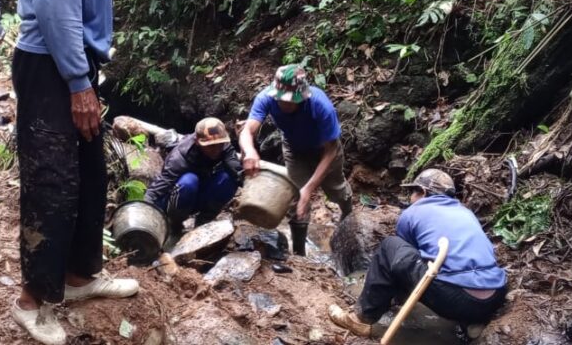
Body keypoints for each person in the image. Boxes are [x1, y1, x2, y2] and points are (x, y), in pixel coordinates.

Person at [10, 0, 155, 345]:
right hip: (49, 63)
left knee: (90, 171)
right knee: (52, 180)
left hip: (67, 61)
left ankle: (77, 276)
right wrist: (78, 83)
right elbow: (54, 6)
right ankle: (32, 300)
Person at [328, 169, 507, 337]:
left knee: (391, 246)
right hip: (494, 297)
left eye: (412, 192)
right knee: (455, 270)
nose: (410, 198)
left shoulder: (413, 212)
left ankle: (361, 319)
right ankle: (471, 325)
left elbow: (400, 264)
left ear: (423, 191)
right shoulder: (466, 212)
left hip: (454, 298)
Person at [239, 63, 353, 256]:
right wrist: (249, 151)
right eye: (281, 99)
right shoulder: (266, 97)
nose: (285, 104)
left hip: (324, 150)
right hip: (294, 148)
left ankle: (348, 215)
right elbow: (247, 131)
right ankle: (299, 252)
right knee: (296, 198)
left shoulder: (320, 105)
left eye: (292, 100)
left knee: (336, 189)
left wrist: (310, 189)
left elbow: (330, 151)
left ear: (302, 96)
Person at [144, 117, 243, 236]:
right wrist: (143, 214)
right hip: (178, 199)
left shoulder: (223, 145)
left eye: (219, 145)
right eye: (211, 146)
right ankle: (174, 224)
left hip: (202, 193)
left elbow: (236, 170)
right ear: (197, 141)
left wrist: (250, 184)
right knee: (189, 181)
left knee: (229, 179)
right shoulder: (179, 158)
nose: (216, 150)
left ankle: (204, 221)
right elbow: (157, 190)